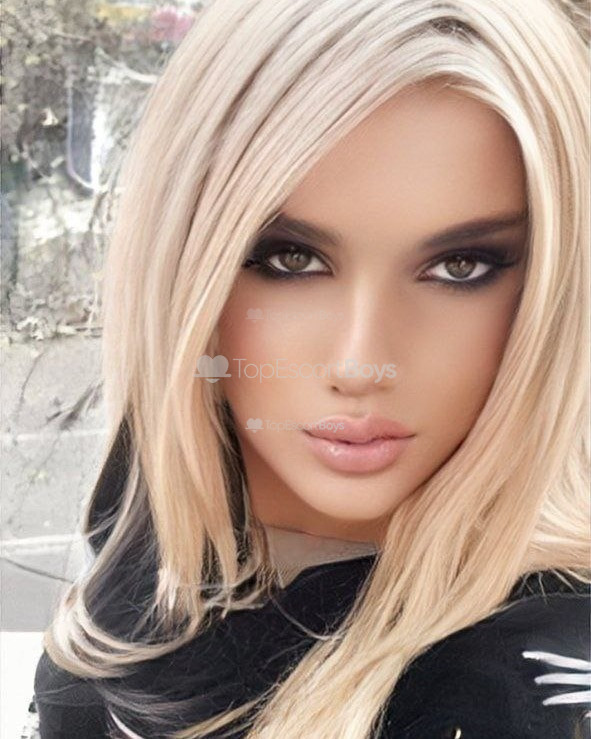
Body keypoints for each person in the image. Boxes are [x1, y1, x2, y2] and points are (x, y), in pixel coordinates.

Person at [33, 0, 590, 737]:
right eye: (291, 258)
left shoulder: (529, 681)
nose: (360, 364)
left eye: (461, 266)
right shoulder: (145, 552)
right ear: (183, 260)